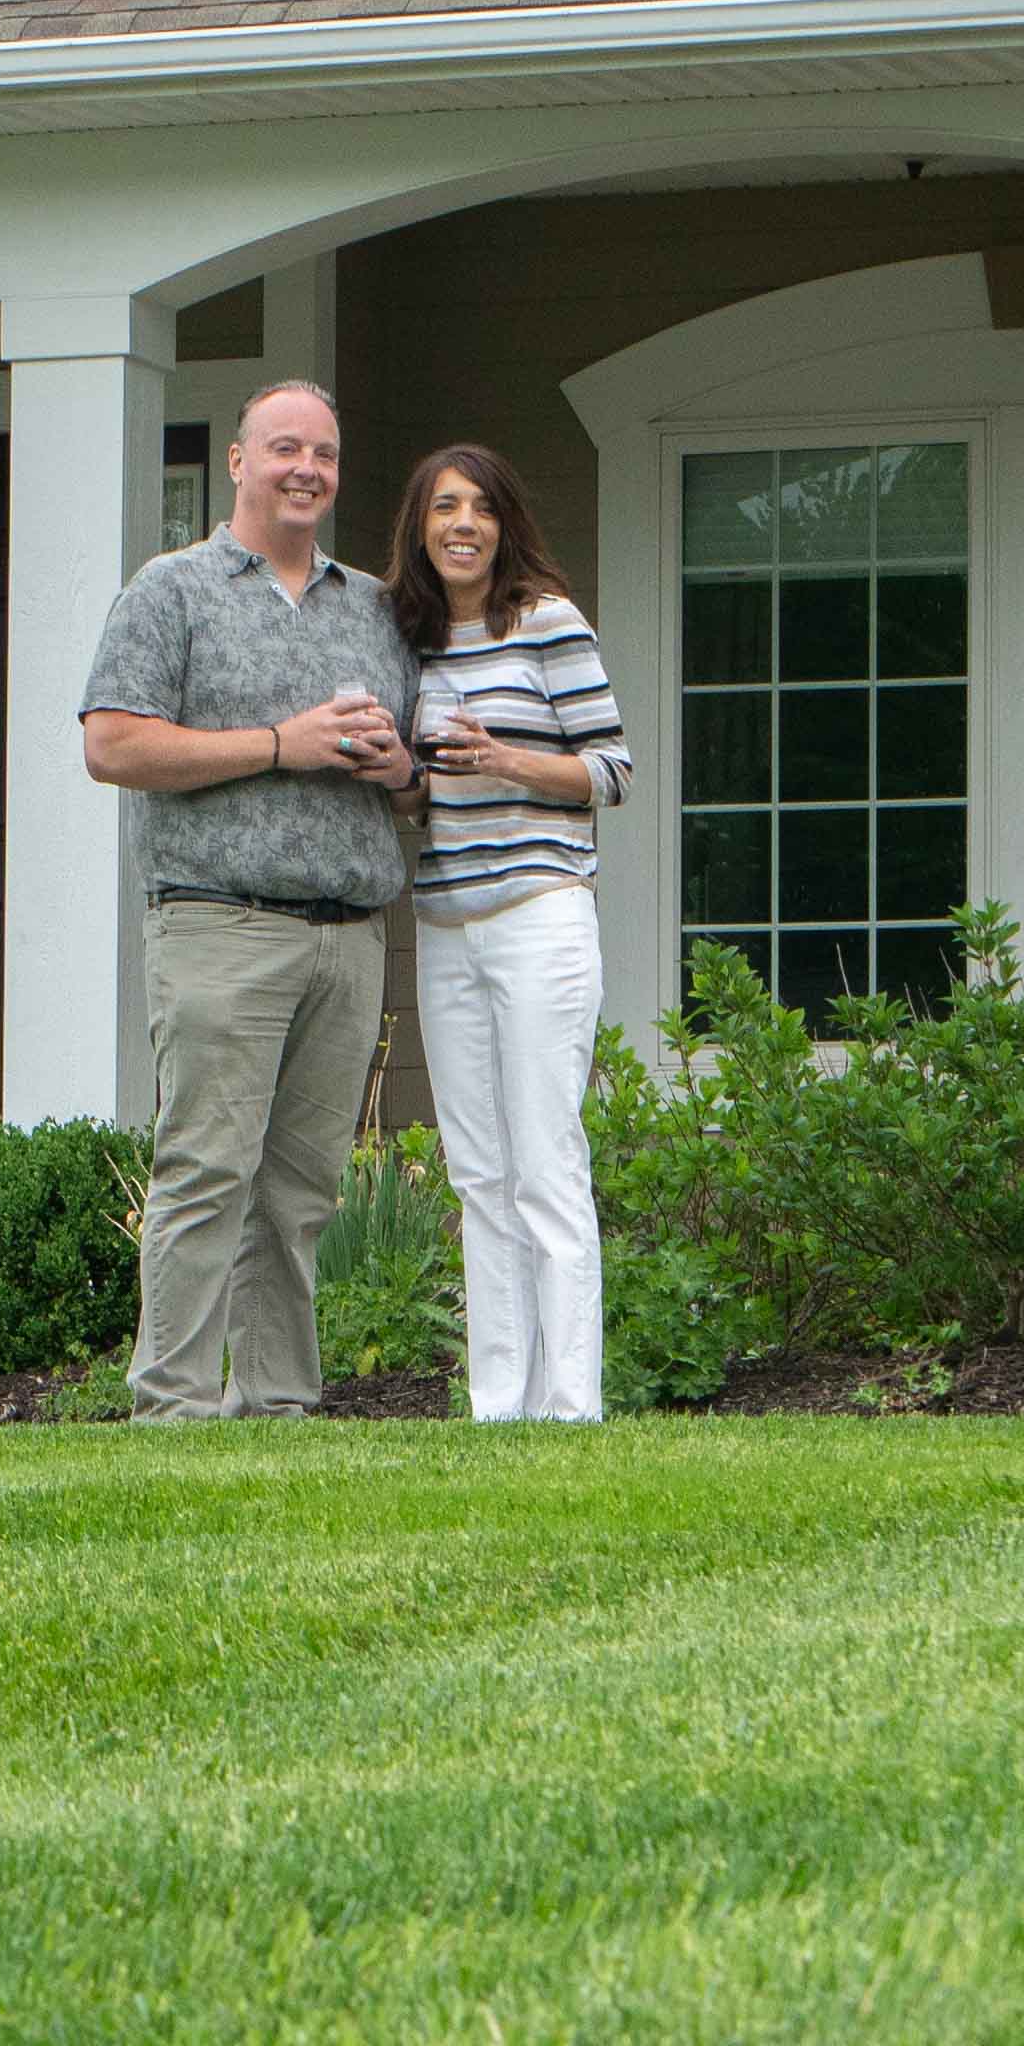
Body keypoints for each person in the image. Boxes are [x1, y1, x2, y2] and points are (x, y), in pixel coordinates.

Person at [76, 381, 420, 1419]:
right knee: (205, 1172)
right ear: (237, 461)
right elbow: (112, 743)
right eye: (283, 448)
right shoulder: (169, 590)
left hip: (348, 936)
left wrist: (391, 763)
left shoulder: (372, 607)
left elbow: (415, 779)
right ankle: (172, 1404)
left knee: (301, 1190)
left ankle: (273, 1403)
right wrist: (284, 743)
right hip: (219, 924)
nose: (304, 468)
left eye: (321, 451)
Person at [389, 446, 632, 1424]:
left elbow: (610, 770)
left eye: (481, 507)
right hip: (445, 923)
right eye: (444, 505)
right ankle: (499, 1403)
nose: (462, 522)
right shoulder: (405, 646)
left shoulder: (545, 623)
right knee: (477, 1170)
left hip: (539, 915)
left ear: (503, 526)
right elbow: (417, 794)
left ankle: (569, 1405)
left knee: (544, 1159)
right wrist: (392, 774)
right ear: (418, 526)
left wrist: (503, 758)